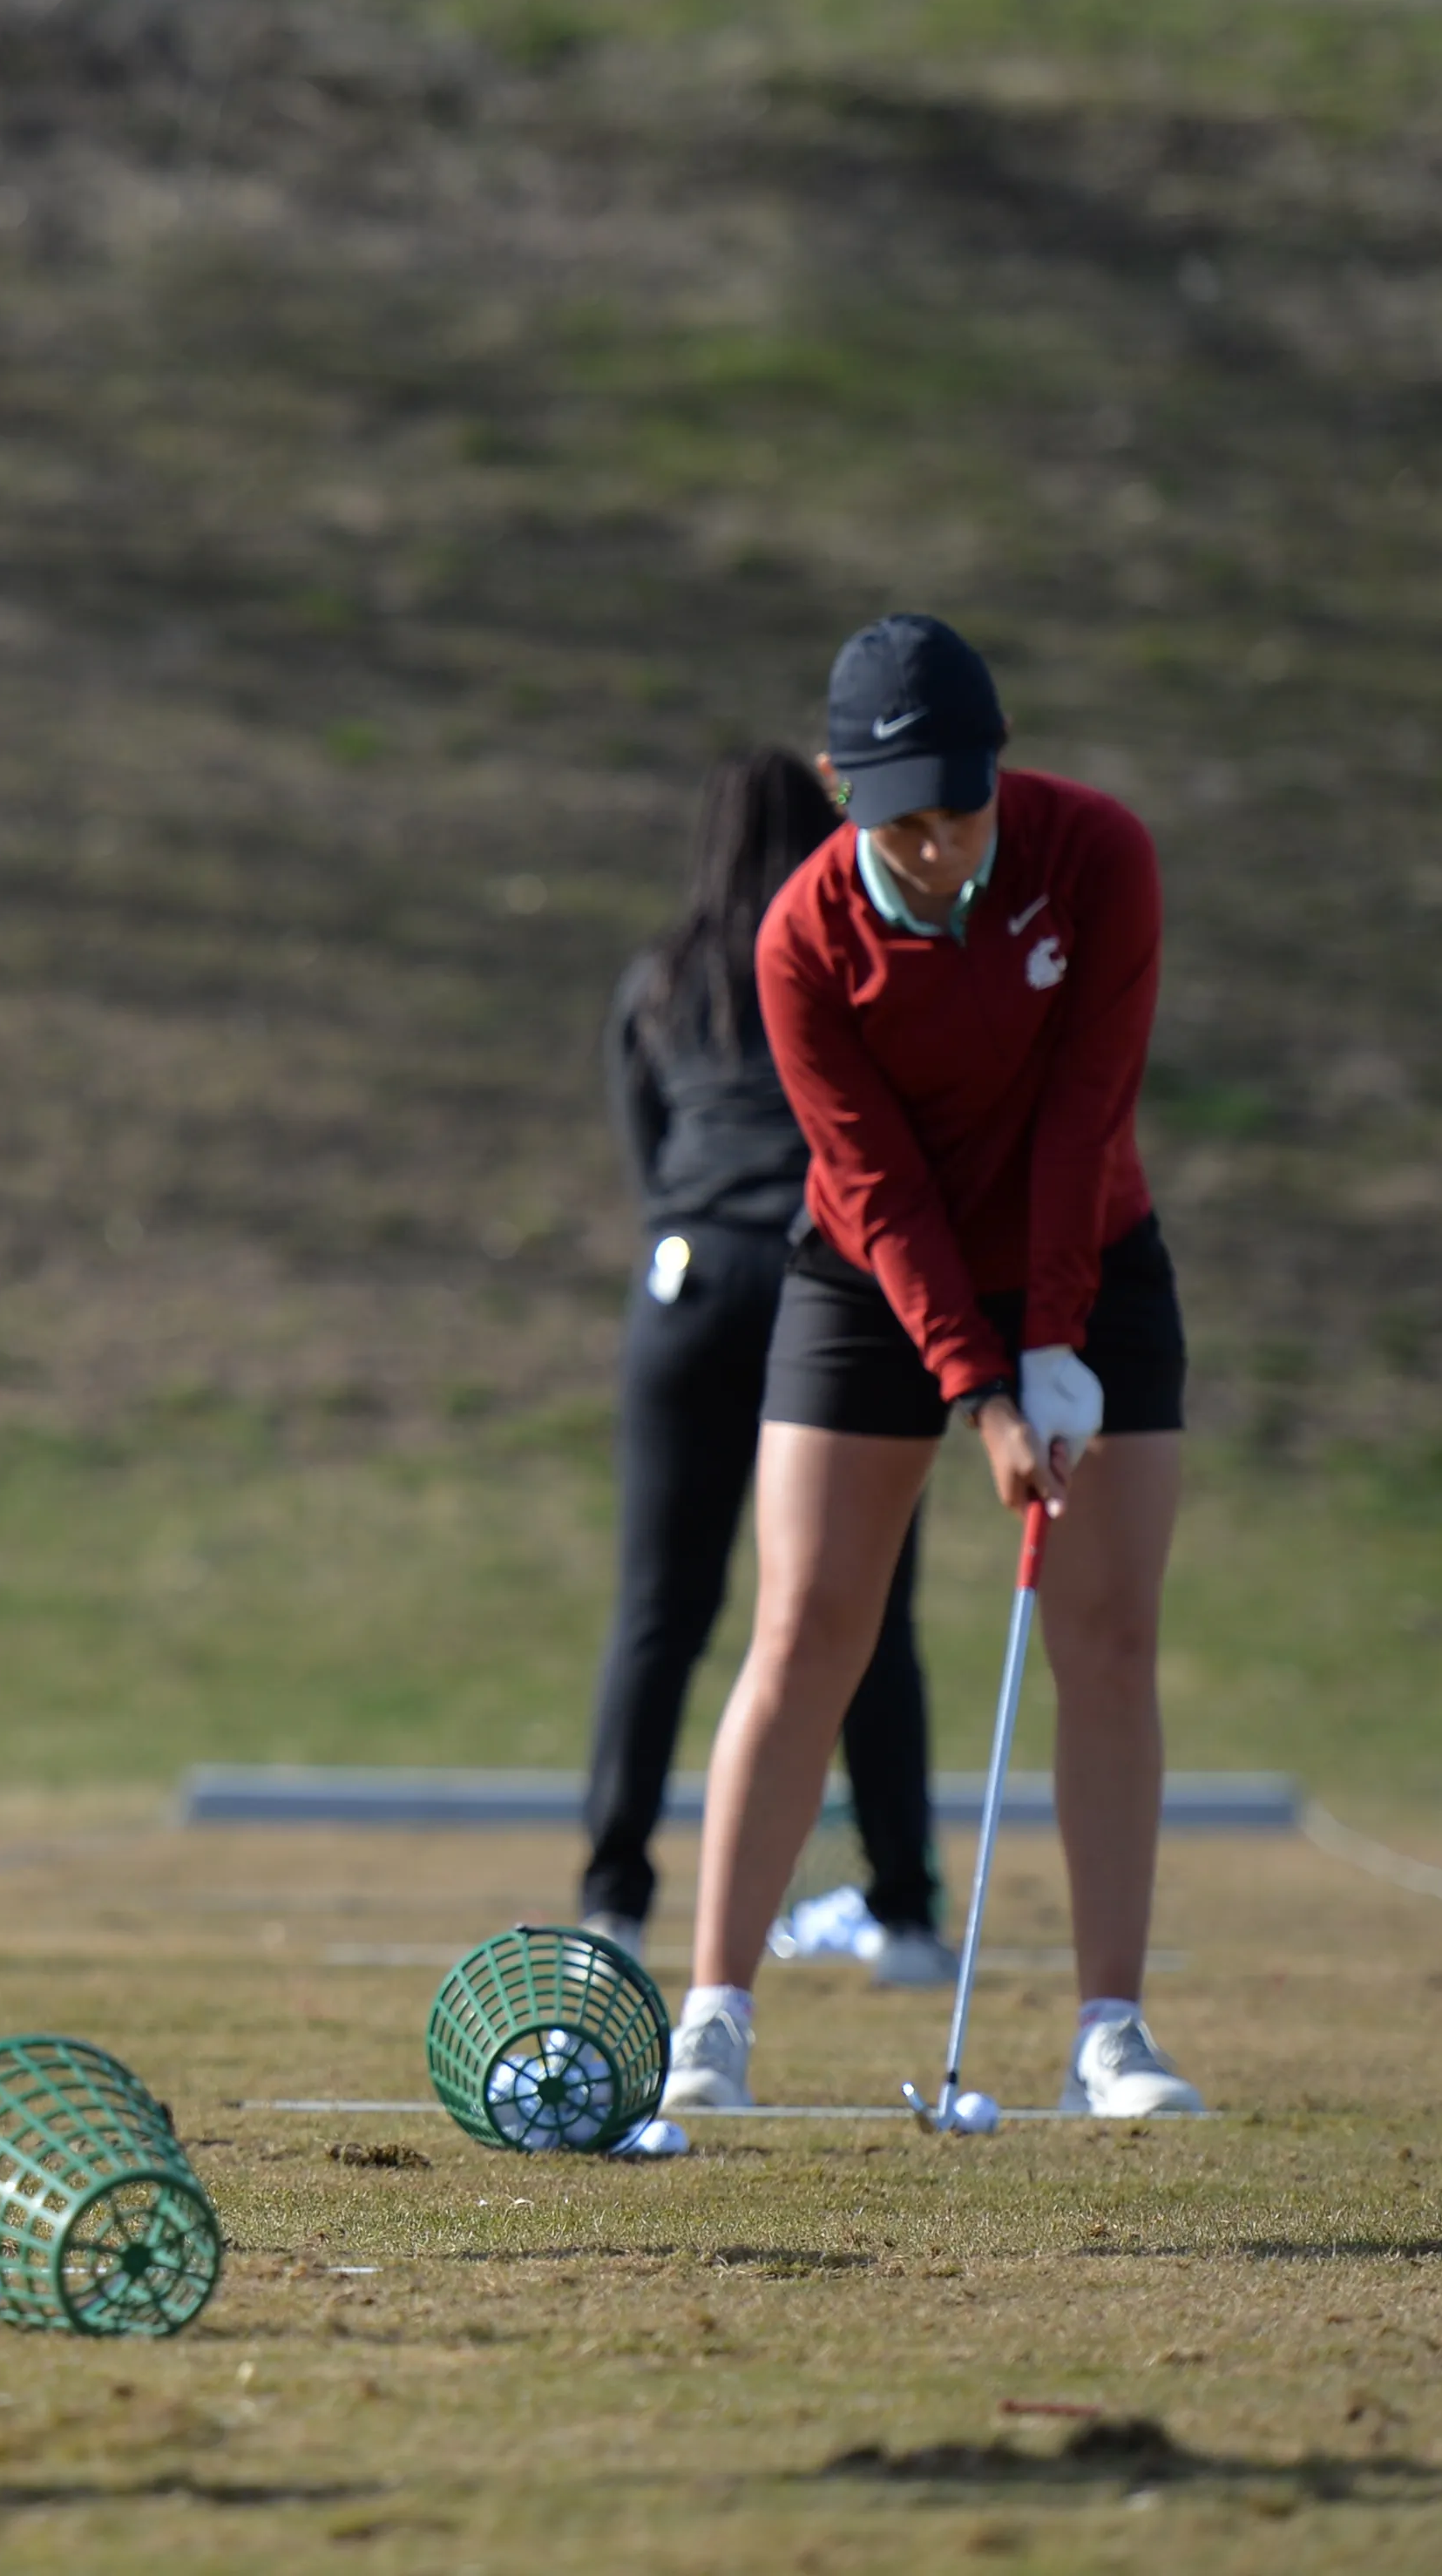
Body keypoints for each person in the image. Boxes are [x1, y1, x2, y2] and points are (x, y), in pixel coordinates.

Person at [663, 616, 1204, 2119]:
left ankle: (1112, 2030)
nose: (938, 845)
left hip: (1087, 1252)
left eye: (962, 810)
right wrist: (979, 1388)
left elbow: (1084, 1111)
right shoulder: (800, 940)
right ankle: (714, 2015)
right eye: (902, 821)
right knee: (811, 1620)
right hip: (868, 1277)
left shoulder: (1098, 859)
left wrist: (1053, 1344)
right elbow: (880, 1183)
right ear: (840, 791)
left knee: (1111, 1639)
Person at [582, 749, 950, 1991]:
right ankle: (902, 1909)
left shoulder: (661, 978)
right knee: (863, 1616)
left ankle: (612, 1902)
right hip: (827, 1287)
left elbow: (646, 1157)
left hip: (686, 1282)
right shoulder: (840, 959)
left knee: (660, 1612)